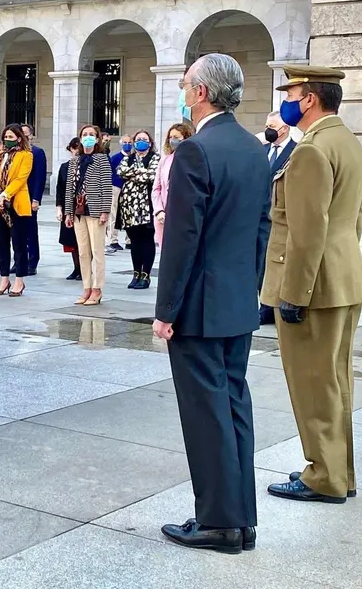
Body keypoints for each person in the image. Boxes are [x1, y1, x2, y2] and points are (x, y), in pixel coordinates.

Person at [153, 53, 271, 555]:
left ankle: (218, 523)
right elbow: (262, 230)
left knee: (206, 414)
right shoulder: (254, 149)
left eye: (186, 85)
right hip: (237, 301)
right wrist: (248, 289)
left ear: (201, 92)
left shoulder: (195, 152)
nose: (183, 92)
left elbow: (182, 239)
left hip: (199, 307)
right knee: (234, 405)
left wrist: (166, 311)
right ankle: (240, 519)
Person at [261, 65, 362, 505]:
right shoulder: (348, 142)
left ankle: (323, 476)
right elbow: (353, 220)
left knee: (314, 384)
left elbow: (307, 231)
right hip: (342, 277)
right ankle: (339, 472)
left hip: (314, 285)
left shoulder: (311, 150)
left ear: (309, 99)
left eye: (291, 94)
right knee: (335, 383)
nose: (286, 102)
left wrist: (294, 293)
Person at [65, 124, 113, 306]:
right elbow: (70, 188)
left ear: (97, 138)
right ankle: (86, 286)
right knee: (83, 251)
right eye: (85, 134)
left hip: (95, 210)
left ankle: (97, 288)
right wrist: (68, 212)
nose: (88, 137)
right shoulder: (74, 161)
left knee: (97, 251)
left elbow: (106, 186)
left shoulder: (102, 159)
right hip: (78, 210)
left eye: (91, 134)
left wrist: (105, 211)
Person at [259, 112, 297, 325]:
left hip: (280, 216)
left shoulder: (296, 152)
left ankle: (271, 306)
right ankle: (263, 302)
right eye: (267, 126)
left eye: (272, 127)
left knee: (276, 262)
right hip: (258, 216)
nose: (268, 130)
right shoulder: (262, 151)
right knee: (260, 262)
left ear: (285, 129)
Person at [0, 124, 34, 297]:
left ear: (19, 139)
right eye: (5, 137)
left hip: (16, 205)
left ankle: (19, 280)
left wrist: (4, 195)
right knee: (1, 244)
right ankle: (4, 279)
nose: (7, 140)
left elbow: (20, 179)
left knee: (19, 244)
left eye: (11, 137)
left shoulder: (26, 155)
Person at [117, 129, 160, 289]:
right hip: (129, 206)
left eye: (144, 139)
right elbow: (120, 171)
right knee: (134, 240)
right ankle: (136, 273)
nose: (141, 142)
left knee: (146, 240)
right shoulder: (128, 158)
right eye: (138, 139)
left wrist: (133, 174)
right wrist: (140, 172)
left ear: (150, 142)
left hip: (146, 206)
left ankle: (145, 275)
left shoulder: (155, 158)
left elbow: (151, 176)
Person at [152, 123, 193, 248]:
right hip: (164, 215)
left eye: (176, 137)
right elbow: (156, 188)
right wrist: (159, 210)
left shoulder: (192, 160)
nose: (172, 140)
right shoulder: (165, 160)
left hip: (184, 215)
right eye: (170, 137)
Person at [20, 124, 46, 275]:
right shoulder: (15, 153)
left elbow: (40, 178)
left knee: (30, 231)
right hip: (16, 198)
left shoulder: (37, 152)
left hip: (30, 197)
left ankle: (32, 261)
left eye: (25, 133)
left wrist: (36, 199)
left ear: (31, 135)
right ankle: (19, 261)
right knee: (17, 233)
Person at [56, 138, 82, 281]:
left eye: (79, 147)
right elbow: (60, 189)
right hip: (68, 207)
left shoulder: (88, 165)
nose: (77, 150)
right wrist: (59, 208)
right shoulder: (65, 167)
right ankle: (76, 268)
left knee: (83, 241)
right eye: (74, 147)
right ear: (70, 149)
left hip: (83, 207)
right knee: (71, 240)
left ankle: (84, 269)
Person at [107, 135, 131, 253]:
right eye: (125, 142)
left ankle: (129, 240)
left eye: (129, 142)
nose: (127, 145)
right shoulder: (115, 158)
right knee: (113, 213)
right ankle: (113, 240)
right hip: (116, 187)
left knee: (129, 214)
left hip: (130, 188)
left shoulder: (134, 158)